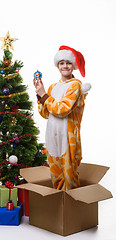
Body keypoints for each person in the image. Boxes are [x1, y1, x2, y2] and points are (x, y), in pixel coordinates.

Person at [33, 45, 91, 190]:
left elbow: (62, 110)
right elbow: (45, 113)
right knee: (56, 174)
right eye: (61, 63)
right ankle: (59, 208)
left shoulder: (76, 86)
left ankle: (71, 208)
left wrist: (44, 95)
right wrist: (40, 95)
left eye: (68, 63)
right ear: (57, 66)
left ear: (74, 65)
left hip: (68, 138)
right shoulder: (52, 87)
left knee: (69, 176)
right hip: (52, 137)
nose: (65, 66)